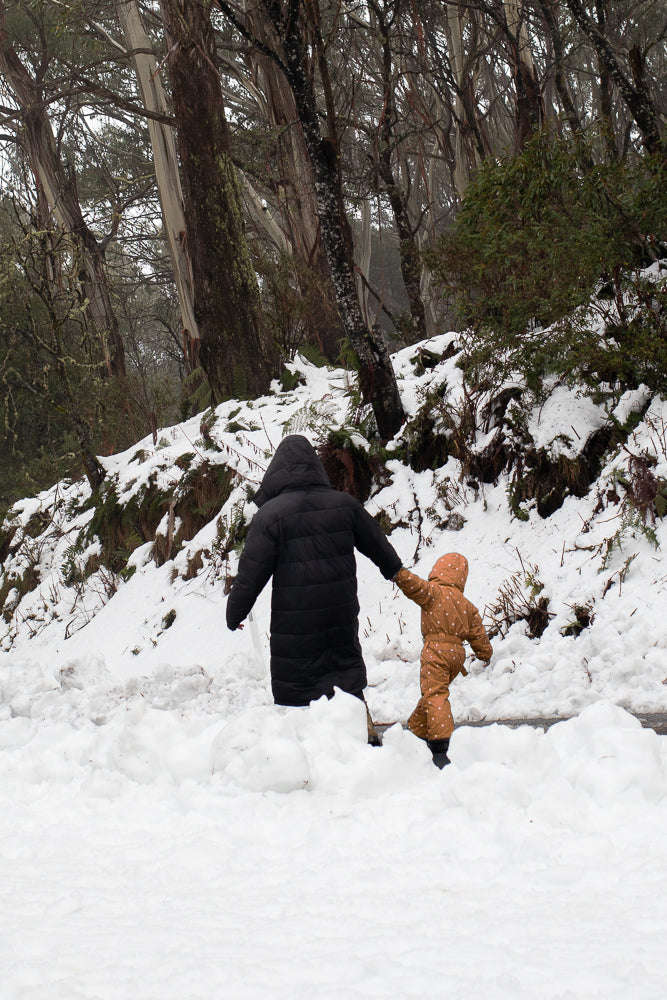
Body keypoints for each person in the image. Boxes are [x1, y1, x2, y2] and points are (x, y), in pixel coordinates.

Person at [226, 435, 402, 738]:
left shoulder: (270, 516)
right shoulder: (344, 505)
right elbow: (379, 545)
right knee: (344, 671)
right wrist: (397, 573)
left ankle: (308, 749)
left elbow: (250, 574)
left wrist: (235, 614)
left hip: (296, 622)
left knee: (301, 686)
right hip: (339, 614)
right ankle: (363, 734)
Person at [394, 553, 492, 768]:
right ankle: (416, 734)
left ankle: (440, 746)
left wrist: (397, 572)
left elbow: (413, 584)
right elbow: (479, 636)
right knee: (433, 692)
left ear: (438, 570)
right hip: (456, 654)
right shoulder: (467, 605)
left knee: (435, 694)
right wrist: (485, 654)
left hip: (436, 650)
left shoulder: (433, 592)